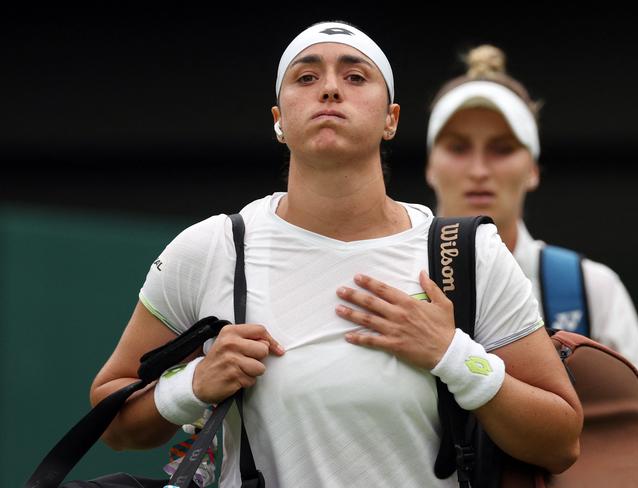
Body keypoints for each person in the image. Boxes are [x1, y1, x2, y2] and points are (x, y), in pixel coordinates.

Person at [90, 22, 582, 488]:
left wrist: (453, 356)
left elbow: (561, 440)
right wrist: (192, 384)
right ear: (279, 121)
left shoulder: (469, 250)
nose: (329, 89)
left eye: (354, 76)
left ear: (391, 119)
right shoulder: (211, 248)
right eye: (306, 77)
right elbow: (111, 418)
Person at [424, 44, 638, 385]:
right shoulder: (391, 275)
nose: (479, 169)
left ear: (533, 169)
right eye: (458, 147)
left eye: (503, 149)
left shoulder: (590, 288)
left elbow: (637, 429)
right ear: (430, 166)